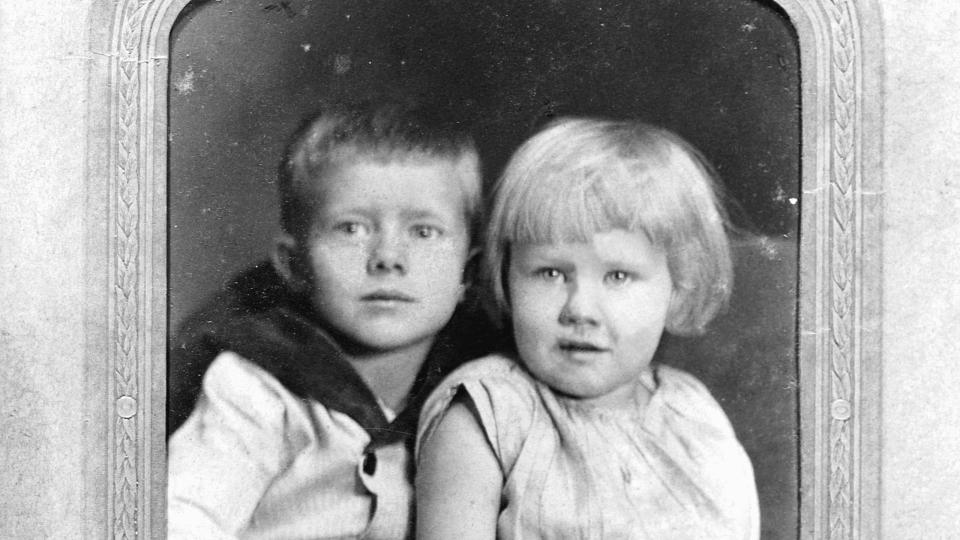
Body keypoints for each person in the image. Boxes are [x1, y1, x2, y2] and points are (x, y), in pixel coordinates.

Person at [415, 117, 760, 539]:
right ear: (506, 277)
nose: (580, 309)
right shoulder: (486, 415)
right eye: (550, 273)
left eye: (618, 276)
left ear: (678, 286)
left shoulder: (693, 414)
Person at [167, 101, 495, 539]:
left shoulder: (479, 388)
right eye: (351, 229)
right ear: (293, 265)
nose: (388, 259)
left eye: (423, 231)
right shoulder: (255, 389)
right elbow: (186, 518)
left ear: (467, 275)